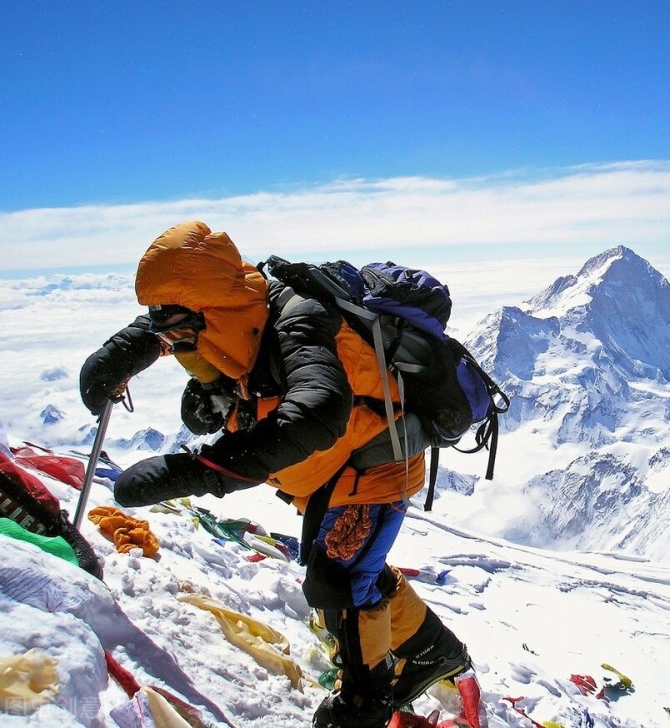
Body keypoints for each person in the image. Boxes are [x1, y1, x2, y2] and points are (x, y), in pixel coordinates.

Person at [80, 221, 472, 728]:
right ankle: (430, 652)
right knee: (348, 568)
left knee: (338, 582)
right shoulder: (231, 309)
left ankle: (366, 702)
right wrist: (120, 356)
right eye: (167, 335)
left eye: (180, 334)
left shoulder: (299, 321)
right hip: (328, 470)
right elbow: (169, 319)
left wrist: (200, 470)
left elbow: (318, 411)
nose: (175, 346)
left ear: (215, 314)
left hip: (375, 465)